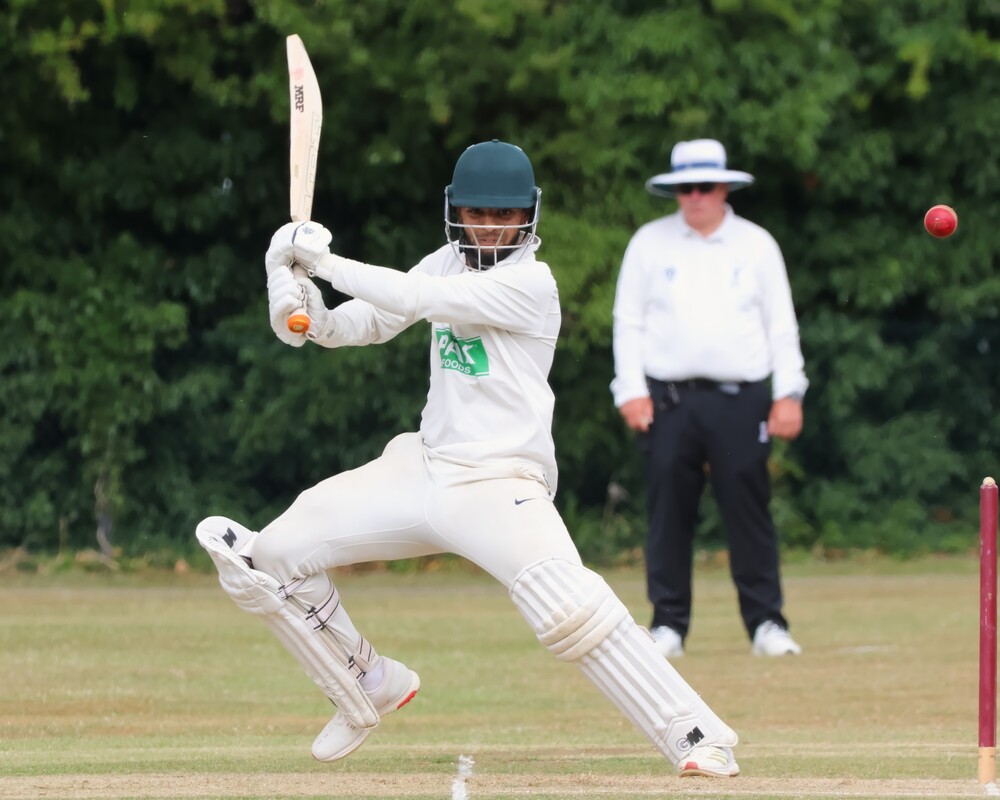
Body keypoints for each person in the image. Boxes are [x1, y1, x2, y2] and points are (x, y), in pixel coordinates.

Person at [196, 139, 740, 778]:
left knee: (568, 606)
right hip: (423, 467)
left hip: (500, 480)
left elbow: (418, 301)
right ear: (456, 210)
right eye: (478, 213)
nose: (489, 226)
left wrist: (323, 260)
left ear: (527, 216)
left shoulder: (531, 283)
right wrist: (295, 299)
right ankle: (368, 679)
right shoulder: (445, 262)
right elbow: (356, 325)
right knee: (273, 556)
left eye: (503, 215)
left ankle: (696, 734)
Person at [611, 138, 808, 660]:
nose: (695, 196)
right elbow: (627, 323)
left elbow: (780, 325)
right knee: (667, 510)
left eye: (704, 186)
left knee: (748, 508)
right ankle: (668, 625)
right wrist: (629, 390)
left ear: (724, 187)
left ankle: (767, 623)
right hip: (669, 399)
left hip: (740, 398)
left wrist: (788, 392)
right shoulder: (649, 243)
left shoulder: (757, 244)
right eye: (685, 188)